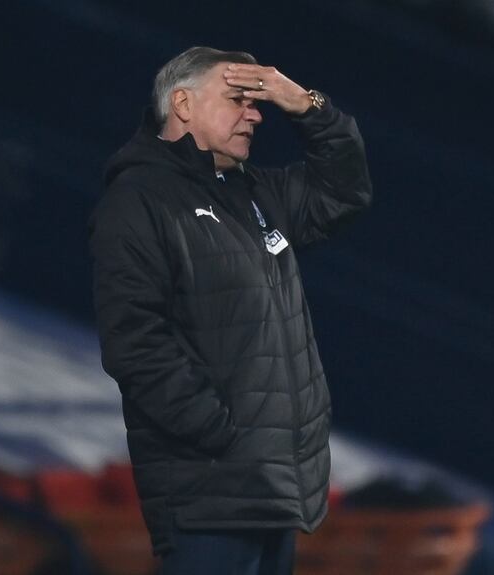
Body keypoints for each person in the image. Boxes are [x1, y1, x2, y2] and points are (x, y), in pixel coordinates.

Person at [89, 47, 372, 574]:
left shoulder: (255, 192)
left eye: (258, 101)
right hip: (209, 494)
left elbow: (346, 190)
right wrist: (221, 434)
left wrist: (305, 103)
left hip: (272, 490)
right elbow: (136, 344)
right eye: (238, 99)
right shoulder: (138, 201)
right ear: (183, 105)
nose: (256, 113)